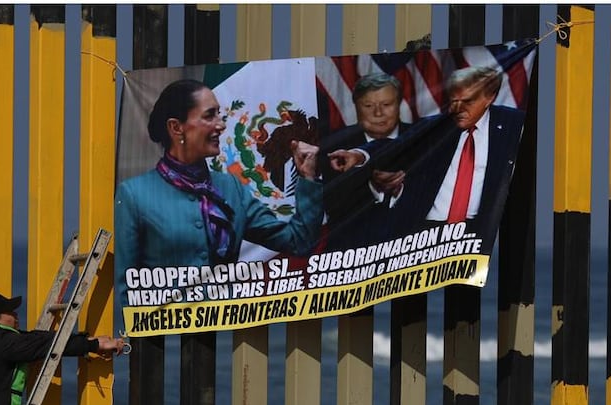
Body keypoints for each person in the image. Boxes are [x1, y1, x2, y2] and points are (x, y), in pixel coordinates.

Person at [113, 78, 324, 308]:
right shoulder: (134, 195)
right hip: (161, 341)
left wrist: (307, 178)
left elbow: (298, 242)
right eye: (209, 115)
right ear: (176, 127)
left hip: (224, 338)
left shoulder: (230, 188)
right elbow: (126, 289)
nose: (221, 125)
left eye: (219, 115)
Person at [388, 64, 526, 250]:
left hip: (478, 229)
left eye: (467, 102)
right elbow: (391, 147)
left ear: (489, 98)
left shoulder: (513, 124)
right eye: (454, 101)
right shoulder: (437, 127)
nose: (458, 109)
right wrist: (359, 155)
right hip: (428, 231)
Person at [318, 72, 412, 250]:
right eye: (368, 105)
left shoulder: (424, 138)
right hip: (351, 250)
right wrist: (374, 188)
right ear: (356, 106)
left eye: (386, 104)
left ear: (399, 103)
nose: (378, 113)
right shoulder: (333, 146)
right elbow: (331, 206)